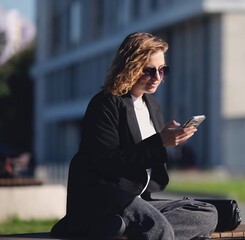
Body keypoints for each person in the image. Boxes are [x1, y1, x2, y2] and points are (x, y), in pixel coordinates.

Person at [50, 32, 218, 240]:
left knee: (206, 214)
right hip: (105, 199)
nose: (158, 77)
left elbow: (151, 165)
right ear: (129, 67)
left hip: (137, 200)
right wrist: (159, 142)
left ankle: (122, 229)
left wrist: (168, 142)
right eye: (149, 71)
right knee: (158, 227)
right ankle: (120, 226)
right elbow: (108, 164)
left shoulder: (152, 105)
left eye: (162, 70)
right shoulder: (105, 104)